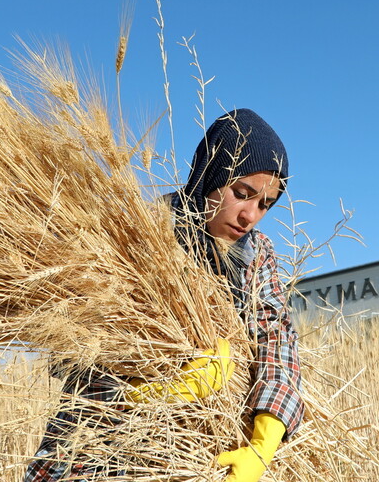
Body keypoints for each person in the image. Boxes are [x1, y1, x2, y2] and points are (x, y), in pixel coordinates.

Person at [23, 108, 304, 482]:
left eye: (265, 205)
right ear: (212, 175)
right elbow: (66, 347)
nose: (250, 215)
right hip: (95, 445)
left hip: (193, 455)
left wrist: (264, 441)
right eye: (242, 194)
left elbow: (276, 335)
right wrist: (151, 385)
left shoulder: (258, 254)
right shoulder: (139, 228)